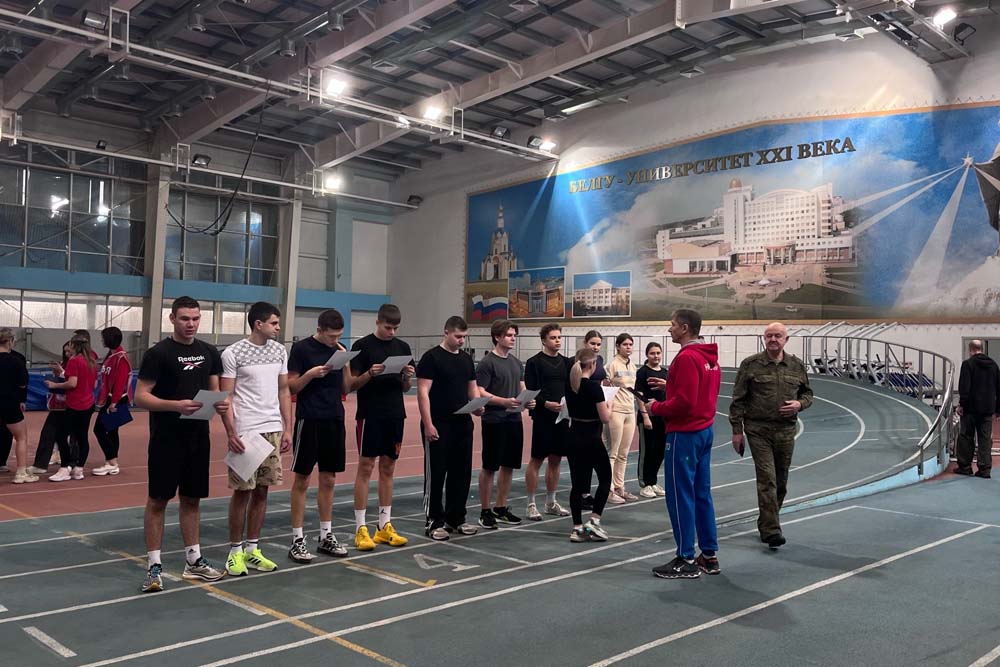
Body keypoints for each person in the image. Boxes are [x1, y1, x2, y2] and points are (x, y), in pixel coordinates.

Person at [135, 296, 229, 593]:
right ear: (172, 318)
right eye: (185, 318)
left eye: (196, 318)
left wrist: (221, 405)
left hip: (198, 437)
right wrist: (175, 405)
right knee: (158, 501)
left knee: (192, 499)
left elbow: (214, 391)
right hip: (166, 438)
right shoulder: (158, 354)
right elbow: (140, 396)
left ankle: (193, 560)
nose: (191, 324)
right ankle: (153, 567)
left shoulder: (209, 352)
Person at [647, 309, 722, 579]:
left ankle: (686, 558)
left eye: (673, 325)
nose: (670, 329)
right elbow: (700, 392)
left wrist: (656, 407)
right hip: (704, 430)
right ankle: (709, 555)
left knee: (680, 495)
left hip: (685, 434)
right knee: (701, 493)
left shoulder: (686, 357)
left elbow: (685, 403)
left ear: (685, 328)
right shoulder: (708, 357)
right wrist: (670, 385)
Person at [220, 302, 293, 576]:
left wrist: (287, 428)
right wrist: (231, 432)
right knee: (242, 492)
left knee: (263, 491)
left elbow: (284, 390)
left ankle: (253, 549)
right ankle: (235, 552)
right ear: (258, 324)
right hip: (246, 432)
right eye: (274, 323)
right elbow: (227, 396)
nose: (278, 328)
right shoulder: (233, 353)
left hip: (272, 429)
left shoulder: (279, 351)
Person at [729, 322, 813, 549]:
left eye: (778, 336)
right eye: (769, 336)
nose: (773, 339)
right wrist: (737, 431)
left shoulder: (796, 365)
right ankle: (771, 530)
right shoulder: (750, 365)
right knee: (767, 479)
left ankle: (767, 520)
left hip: (786, 430)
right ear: (764, 339)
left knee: (781, 482)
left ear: (786, 339)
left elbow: (808, 394)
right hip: (758, 430)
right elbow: (738, 400)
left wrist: (799, 404)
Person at [286, 308, 353, 562]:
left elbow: (347, 388)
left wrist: (345, 365)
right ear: (319, 330)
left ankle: (326, 535)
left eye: (339, 336)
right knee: (302, 479)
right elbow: (291, 386)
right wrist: (310, 375)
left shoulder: (340, 350)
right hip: (309, 419)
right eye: (331, 336)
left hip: (334, 418)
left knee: (329, 479)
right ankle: (297, 539)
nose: (335, 340)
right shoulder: (301, 349)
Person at [349, 304, 412, 551]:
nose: (392, 332)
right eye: (388, 327)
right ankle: (360, 528)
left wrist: (407, 376)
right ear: (377, 322)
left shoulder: (403, 348)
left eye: (396, 328)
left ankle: (384, 525)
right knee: (366, 467)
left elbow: (406, 388)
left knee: (389, 468)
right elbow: (351, 385)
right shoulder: (362, 346)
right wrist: (369, 374)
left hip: (395, 413)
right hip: (370, 414)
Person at [416, 316, 482, 540]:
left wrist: (478, 406)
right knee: (436, 474)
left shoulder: (466, 359)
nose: (461, 341)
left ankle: (457, 518)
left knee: (461, 473)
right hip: (439, 423)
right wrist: (428, 423)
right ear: (446, 332)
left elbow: (472, 388)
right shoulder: (431, 358)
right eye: (458, 336)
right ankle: (433, 521)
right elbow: (423, 392)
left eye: (464, 337)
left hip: (462, 424)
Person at [476, 319, 531, 529]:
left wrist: (528, 399)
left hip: (514, 419)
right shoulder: (487, 363)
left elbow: (522, 387)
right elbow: (480, 391)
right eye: (509, 335)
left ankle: (501, 507)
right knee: (490, 466)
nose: (513, 338)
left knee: (508, 465)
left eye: (514, 335)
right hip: (494, 420)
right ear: (497, 337)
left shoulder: (516, 362)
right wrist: (503, 402)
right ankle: (485, 510)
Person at [523, 323, 572, 521]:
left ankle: (551, 502)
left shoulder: (567, 362)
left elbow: (570, 388)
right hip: (543, 417)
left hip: (562, 417)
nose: (557, 340)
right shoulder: (534, 362)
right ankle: (531, 504)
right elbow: (531, 390)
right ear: (544, 340)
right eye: (553, 337)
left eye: (559, 337)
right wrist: (545, 404)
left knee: (556, 459)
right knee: (537, 459)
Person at [565, 347, 612, 542]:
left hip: (573, 436)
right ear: (592, 364)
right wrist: (610, 404)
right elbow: (605, 418)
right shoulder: (594, 388)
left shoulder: (570, 386)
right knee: (605, 478)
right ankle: (594, 520)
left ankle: (577, 528)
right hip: (592, 438)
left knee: (577, 484)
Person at [46, 335, 98, 481]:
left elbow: (72, 383)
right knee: (82, 436)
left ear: (74, 345)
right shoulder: (92, 362)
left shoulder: (74, 361)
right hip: (88, 404)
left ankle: (64, 467)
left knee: (61, 435)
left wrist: (55, 385)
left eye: (69, 344)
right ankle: (78, 469)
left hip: (75, 405)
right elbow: (94, 384)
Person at [606, 333, 644, 503]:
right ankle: (608, 490)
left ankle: (619, 487)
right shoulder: (612, 365)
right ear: (618, 346)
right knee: (612, 453)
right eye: (625, 344)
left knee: (623, 454)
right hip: (616, 411)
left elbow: (632, 389)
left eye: (630, 344)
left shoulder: (633, 366)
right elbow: (605, 388)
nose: (628, 347)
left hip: (630, 411)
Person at [955, 339, 1000, 479]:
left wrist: (961, 405)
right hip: (987, 409)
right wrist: (998, 410)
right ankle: (985, 469)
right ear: (982, 349)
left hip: (970, 409)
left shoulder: (968, 364)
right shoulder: (994, 365)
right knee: (985, 439)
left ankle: (965, 467)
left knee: (966, 437)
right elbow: (999, 389)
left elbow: (964, 388)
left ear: (970, 350)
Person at [27, 342, 72, 475]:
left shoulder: (79, 364)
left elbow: (73, 382)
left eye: (69, 351)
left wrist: (62, 374)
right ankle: (41, 464)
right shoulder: (65, 363)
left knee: (73, 435)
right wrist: (57, 374)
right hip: (59, 405)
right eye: (65, 351)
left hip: (73, 405)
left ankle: (74, 464)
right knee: (49, 432)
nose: (67, 354)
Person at [92, 327, 133, 476]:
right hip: (109, 398)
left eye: (103, 338)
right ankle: (111, 463)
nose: (102, 340)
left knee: (99, 429)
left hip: (116, 399)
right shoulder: (111, 355)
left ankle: (112, 461)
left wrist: (114, 402)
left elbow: (120, 382)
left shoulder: (121, 358)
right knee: (112, 430)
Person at [0, 328, 37, 484]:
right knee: (21, 437)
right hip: (9, 403)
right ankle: (21, 472)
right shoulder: (16, 361)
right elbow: (22, 384)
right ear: (10, 341)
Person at [635, 342, 668, 498]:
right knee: (647, 451)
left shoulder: (665, 372)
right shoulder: (643, 372)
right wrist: (645, 416)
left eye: (658, 353)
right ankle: (645, 484)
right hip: (647, 418)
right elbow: (639, 395)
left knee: (660, 451)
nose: (656, 356)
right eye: (652, 353)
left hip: (663, 418)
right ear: (647, 355)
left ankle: (653, 481)